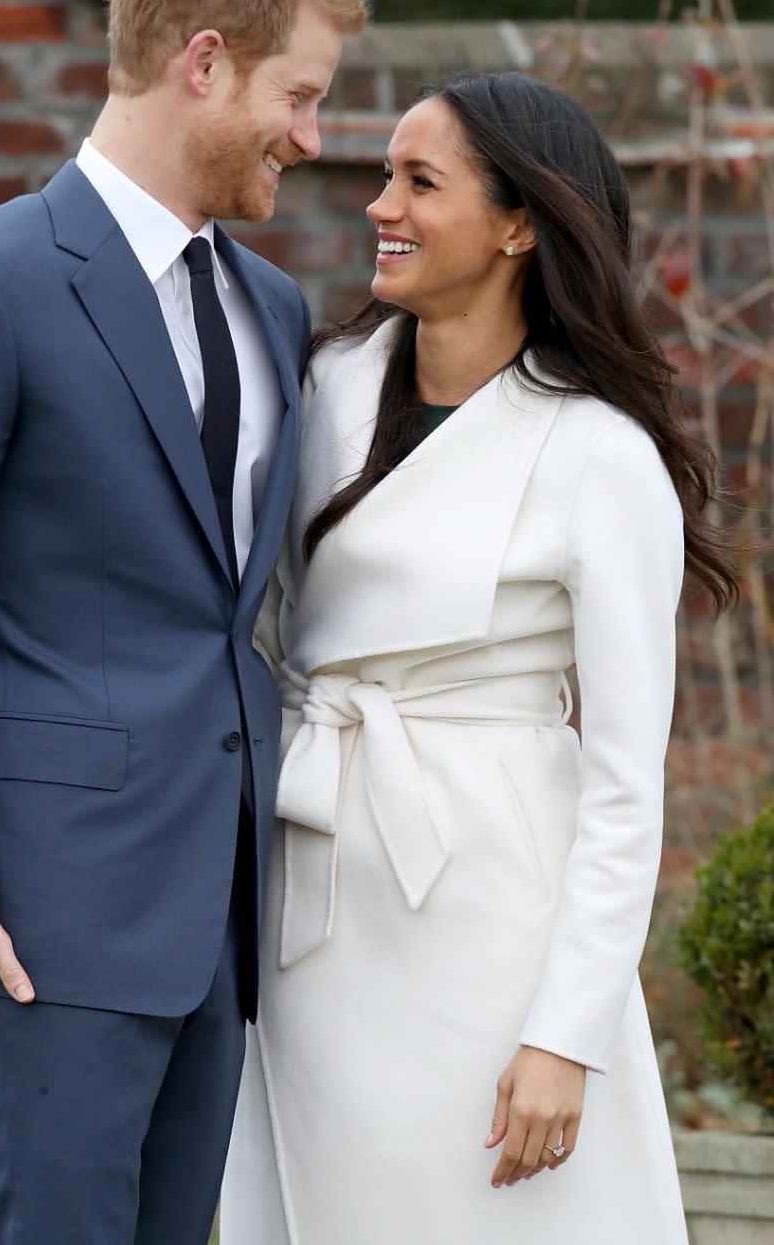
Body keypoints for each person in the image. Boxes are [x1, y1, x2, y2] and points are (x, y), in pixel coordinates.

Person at [0, 0, 365, 1245]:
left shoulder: (273, 306)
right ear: (203, 63)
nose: (311, 137)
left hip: (220, 906)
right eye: (297, 95)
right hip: (42, 914)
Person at [221, 71, 736, 1244]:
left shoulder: (600, 455)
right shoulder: (319, 385)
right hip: (318, 889)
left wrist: (566, 1033)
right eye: (384, 176)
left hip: (499, 920)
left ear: (518, 224)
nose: (378, 206)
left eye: (419, 181)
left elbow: (622, 787)